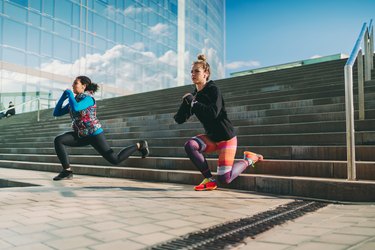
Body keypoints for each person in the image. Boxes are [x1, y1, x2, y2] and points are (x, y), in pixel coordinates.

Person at [174, 54, 264, 191]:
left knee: (225, 179)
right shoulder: (195, 96)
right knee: (190, 145)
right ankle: (209, 179)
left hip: (226, 138)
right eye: (191, 71)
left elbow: (213, 113)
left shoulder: (213, 90)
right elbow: (179, 119)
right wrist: (186, 104)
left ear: (206, 74)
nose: (193, 74)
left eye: (197, 71)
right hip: (212, 138)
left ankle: (250, 159)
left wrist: (193, 102)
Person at [52, 76, 149, 181]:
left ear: (84, 86)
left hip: (94, 134)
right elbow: (56, 113)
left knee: (115, 160)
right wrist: (63, 97)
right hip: (81, 135)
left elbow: (76, 107)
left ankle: (140, 145)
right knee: (59, 140)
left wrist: (70, 94)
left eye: (75, 83)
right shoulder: (74, 100)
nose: (72, 85)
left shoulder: (88, 99)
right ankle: (67, 171)